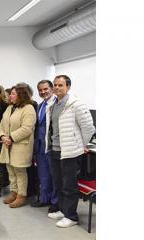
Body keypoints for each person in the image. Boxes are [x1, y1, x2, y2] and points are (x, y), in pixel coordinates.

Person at [47, 75, 94, 228]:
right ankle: (62, 210)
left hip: (70, 152)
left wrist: (81, 144)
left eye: (60, 85)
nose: (57, 88)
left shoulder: (76, 104)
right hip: (54, 149)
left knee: (69, 185)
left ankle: (71, 216)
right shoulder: (53, 105)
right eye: (55, 85)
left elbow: (88, 127)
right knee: (58, 183)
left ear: (68, 87)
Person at [0, 85, 37, 208]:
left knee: (20, 171)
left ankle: (21, 196)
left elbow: (27, 128)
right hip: (7, 145)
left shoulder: (28, 108)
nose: (10, 96)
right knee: (10, 170)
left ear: (21, 95)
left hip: (20, 145)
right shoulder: (10, 108)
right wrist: (2, 136)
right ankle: (14, 192)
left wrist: (11, 138)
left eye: (13, 94)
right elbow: (2, 124)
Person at [31, 80, 58, 209]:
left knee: (54, 175)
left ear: (51, 88)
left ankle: (54, 202)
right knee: (43, 174)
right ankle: (44, 198)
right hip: (40, 145)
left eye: (45, 89)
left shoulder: (57, 104)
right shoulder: (40, 105)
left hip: (52, 146)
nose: (43, 92)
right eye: (40, 90)